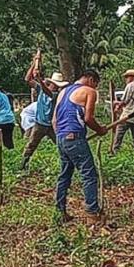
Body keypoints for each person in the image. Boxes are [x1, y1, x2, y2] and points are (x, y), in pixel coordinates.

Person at [52, 69, 108, 223]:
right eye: (96, 84)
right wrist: (100, 130)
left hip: (61, 138)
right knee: (89, 175)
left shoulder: (63, 92)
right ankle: (92, 213)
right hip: (75, 137)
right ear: (91, 79)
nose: (95, 88)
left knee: (64, 175)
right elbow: (88, 118)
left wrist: (63, 135)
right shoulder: (89, 91)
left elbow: (54, 121)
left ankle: (60, 211)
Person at [21, 68, 69, 173]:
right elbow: (27, 79)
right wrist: (34, 63)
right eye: (54, 85)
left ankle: (67, 164)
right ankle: (23, 165)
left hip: (52, 125)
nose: (55, 87)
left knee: (61, 144)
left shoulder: (56, 95)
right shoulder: (40, 89)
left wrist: (38, 78)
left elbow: (47, 92)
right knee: (31, 145)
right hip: (40, 124)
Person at [112, 69, 134, 152]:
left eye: (127, 77)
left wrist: (116, 103)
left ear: (132, 77)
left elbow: (125, 101)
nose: (126, 79)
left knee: (119, 133)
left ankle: (115, 151)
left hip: (128, 115)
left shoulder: (130, 86)